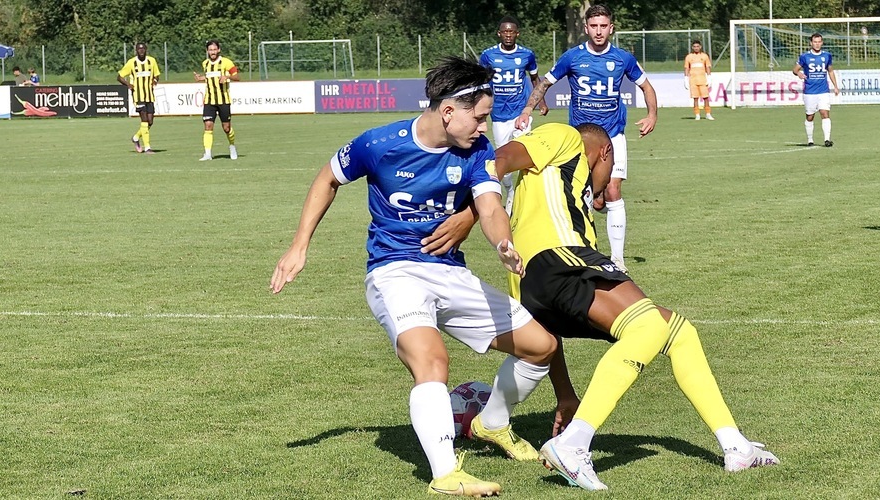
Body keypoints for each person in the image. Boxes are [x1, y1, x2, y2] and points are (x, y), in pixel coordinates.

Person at [424, 122, 780, 491]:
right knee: (648, 326)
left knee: (677, 331)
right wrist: (471, 215)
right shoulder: (565, 138)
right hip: (562, 259)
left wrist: (565, 395)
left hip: (537, 281)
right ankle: (574, 444)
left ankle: (735, 445)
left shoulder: (552, 210)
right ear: (605, 153)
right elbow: (499, 159)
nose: (605, 190)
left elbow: (544, 335)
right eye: (608, 175)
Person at [270, 56, 558, 497]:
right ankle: (445, 473)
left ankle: (491, 423)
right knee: (432, 362)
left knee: (541, 347)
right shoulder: (380, 143)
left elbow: (489, 208)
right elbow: (328, 178)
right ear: (448, 112)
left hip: (449, 273)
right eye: (480, 118)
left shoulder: (477, 151)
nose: (485, 128)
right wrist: (299, 245)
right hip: (395, 271)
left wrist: (502, 243)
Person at [515, 4, 658, 274]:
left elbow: (646, 86)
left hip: (613, 135)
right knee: (588, 198)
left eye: (604, 26)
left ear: (611, 28)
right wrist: (526, 110)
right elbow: (544, 83)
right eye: (594, 26)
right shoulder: (572, 57)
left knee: (613, 191)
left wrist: (652, 115)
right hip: (580, 140)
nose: (599, 31)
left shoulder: (623, 58)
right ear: (586, 28)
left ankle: (617, 261)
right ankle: (586, 250)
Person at [478, 15, 549, 212]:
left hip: (521, 111)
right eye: (505, 32)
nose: (508, 35)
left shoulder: (527, 55)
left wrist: (541, 102)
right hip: (499, 114)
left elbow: (536, 80)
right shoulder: (488, 55)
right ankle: (510, 190)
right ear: (499, 33)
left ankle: (525, 198)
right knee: (503, 156)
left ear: (517, 33)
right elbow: (480, 82)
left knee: (525, 150)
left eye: (512, 32)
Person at [194, 40, 239, 161]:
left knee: (226, 128)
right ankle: (207, 153)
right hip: (209, 101)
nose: (212, 52)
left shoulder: (226, 62)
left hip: (223, 100)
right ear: (207, 51)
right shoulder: (205, 63)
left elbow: (237, 76)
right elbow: (210, 77)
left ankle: (232, 146)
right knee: (208, 125)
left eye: (214, 49)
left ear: (218, 50)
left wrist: (227, 76)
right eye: (210, 50)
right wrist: (201, 78)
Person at [792, 33, 840, 147]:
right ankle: (810, 140)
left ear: (822, 43)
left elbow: (830, 71)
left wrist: (836, 86)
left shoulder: (827, 55)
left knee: (825, 113)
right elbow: (795, 70)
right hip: (810, 91)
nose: (817, 44)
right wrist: (799, 73)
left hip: (823, 90)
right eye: (815, 42)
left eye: (819, 42)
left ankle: (827, 140)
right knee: (810, 116)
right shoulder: (805, 56)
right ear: (811, 43)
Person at [117, 42, 161, 154]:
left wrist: (155, 80)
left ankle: (136, 137)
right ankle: (147, 148)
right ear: (136, 50)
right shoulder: (132, 62)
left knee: (150, 121)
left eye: (143, 49)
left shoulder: (152, 61)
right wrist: (128, 85)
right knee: (144, 121)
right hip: (138, 95)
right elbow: (119, 77)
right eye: (139, 49)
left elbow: (157, 74)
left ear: (146, 49)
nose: (141, 51)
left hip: (149, 95)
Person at [684, 40, 713, 120]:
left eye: (697, 46)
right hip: (693, 80)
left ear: (700, 47)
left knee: (706, 97)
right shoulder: (689, 57)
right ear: (692, 47)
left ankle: (708, 113)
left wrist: (709, 77)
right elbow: (686, 68)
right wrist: (686, 78)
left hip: (703, 80)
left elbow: (707, 67)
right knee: (695, 98)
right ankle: (697, 114)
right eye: (694, 47)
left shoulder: (704, 56)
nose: (696, 48)